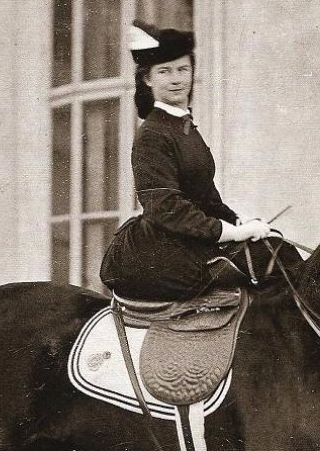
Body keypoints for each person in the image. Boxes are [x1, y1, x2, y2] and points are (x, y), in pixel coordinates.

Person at [99, 20, 274, 302]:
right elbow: (166, 207)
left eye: (183, 69)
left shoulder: (185, 127)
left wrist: (240, 222)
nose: (176, 79)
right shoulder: (152, 134)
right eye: (164, 71)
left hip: (190, 240)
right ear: (147, 78)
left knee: (275, 253)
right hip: (163, 251)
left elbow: (206, 197)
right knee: (259, 277)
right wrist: (231, 232)